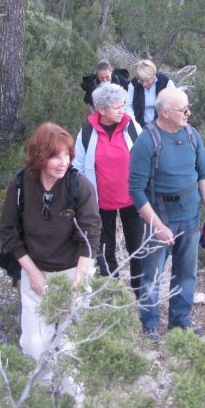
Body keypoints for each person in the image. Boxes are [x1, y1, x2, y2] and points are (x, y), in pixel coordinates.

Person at [0, 122, 101, 363]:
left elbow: (90, 234)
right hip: (35, 272)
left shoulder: (79, 186)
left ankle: (74, 398)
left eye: (66, 155)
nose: (63, 162)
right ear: (40, 157)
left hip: (73, 270)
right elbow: (9, 232)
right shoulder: (21, 186)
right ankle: (40, 395)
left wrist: (79, 279)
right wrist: (33, 273)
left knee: (71, 346)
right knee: (34, 345)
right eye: (55, 156)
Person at [128, 87, 205, 343]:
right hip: (159, 220)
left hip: (190, 217)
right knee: (152, 275)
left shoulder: (192, 136)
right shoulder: (146, 141)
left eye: (188, 107)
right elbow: (136, 191)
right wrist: (157, 225)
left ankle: (180, 321)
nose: (188, 113)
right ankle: (149, 324)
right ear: (164, 112)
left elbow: (203, 174)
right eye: (182, 109)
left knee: (187, 273)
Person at [73, 83, 145, 296]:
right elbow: (77, 166)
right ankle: (111, 294)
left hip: (132, 200)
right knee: (105, 250)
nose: (122, 110)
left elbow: (144, 158)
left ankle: (140, 293)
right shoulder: (87, 132)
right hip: (100, 202)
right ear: (101, 109)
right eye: (116, 107)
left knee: (137, 248)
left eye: (123, 105)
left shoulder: (132, 127)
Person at [124, 59, 174, 127]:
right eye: (141, 80)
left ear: (153, 76)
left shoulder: (165, 82)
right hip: (139, 124)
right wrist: (134, 123)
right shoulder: (133, 84)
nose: (144, 84)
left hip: (162, 124)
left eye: (147, 81)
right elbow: (128, 106)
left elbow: (175, 102)